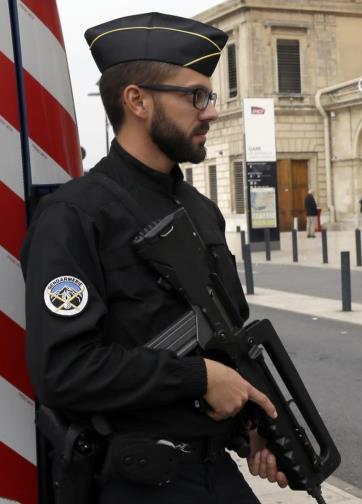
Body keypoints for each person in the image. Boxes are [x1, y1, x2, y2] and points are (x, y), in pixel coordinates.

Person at [21, 12, 284, 503]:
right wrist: (198, 377)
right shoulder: (74, 217)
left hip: (213, 473)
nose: (210, 111)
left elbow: (223, 338)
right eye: (195, 96)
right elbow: (64, 370)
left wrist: (248, 428)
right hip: (133, 483)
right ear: (137, 100)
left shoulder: (201, 211)